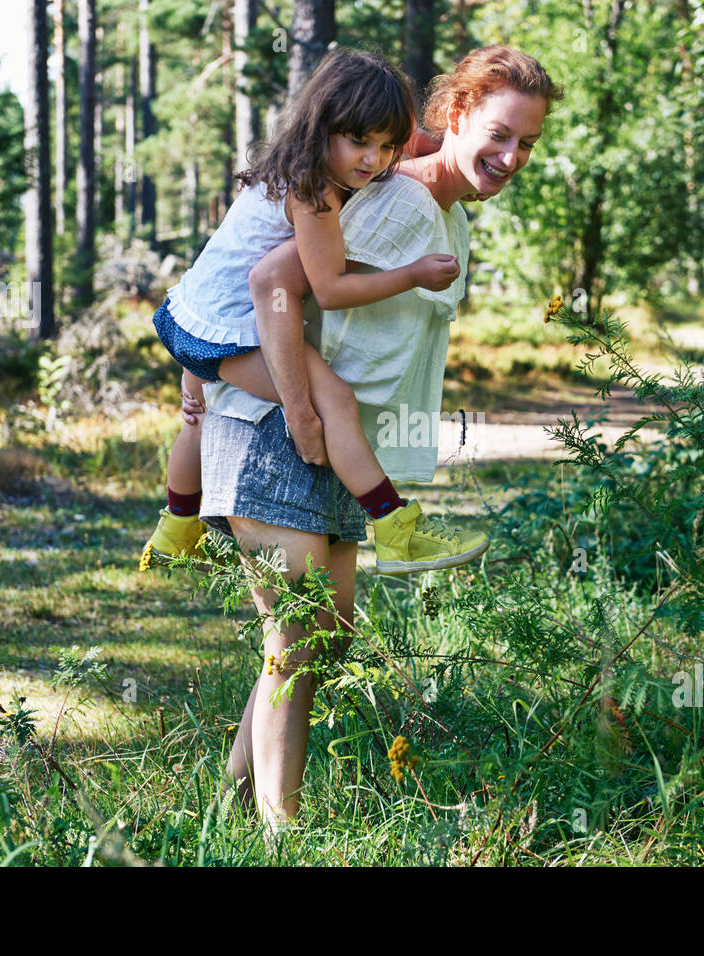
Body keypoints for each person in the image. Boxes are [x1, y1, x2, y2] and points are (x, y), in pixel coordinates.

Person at [187, 46, 563, 831]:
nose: (511, 156)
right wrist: (293, 405)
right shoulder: (393, 200)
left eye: (526, 142)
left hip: (338, 446)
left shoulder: (439, 208)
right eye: (498, 133)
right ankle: (280, 830)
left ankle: (222, 805)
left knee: (325, 635)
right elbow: (269, 285)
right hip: (276, 431)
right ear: (454, 117)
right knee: (294, 633)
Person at [142, 48, 488, 576]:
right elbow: (328, 289)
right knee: (336, 401)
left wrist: (451, 142)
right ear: (323, 125)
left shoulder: (293, 166)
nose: (372, 161)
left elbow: (399, 139)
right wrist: (411, 274)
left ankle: (177, 526)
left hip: (191, 314)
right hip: (232, 330)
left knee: (195, 419)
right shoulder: (317, 194)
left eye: (386, 147)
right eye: (359, 142)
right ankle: (395, 527)